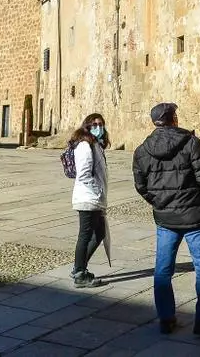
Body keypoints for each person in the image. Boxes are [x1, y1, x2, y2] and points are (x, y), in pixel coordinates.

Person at [132, 102, 200, 337]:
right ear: (174, 119)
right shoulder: (192, 144)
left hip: (166, 220)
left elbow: (140, 185)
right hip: (195, 218)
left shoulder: (143, 150)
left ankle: (165, 318)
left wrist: (159, 202)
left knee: (163, 269)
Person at [69, 113, 110, 288]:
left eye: (101, 124)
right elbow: (84, 173)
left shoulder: (96, 144)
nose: (98, 127)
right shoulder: (85, 145)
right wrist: (97, 190)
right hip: (88, 198)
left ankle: (79, 268)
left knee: (99, 233)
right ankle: (79, 273)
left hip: (94, 198)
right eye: (94, 124)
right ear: (87, 126)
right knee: (85, 235)